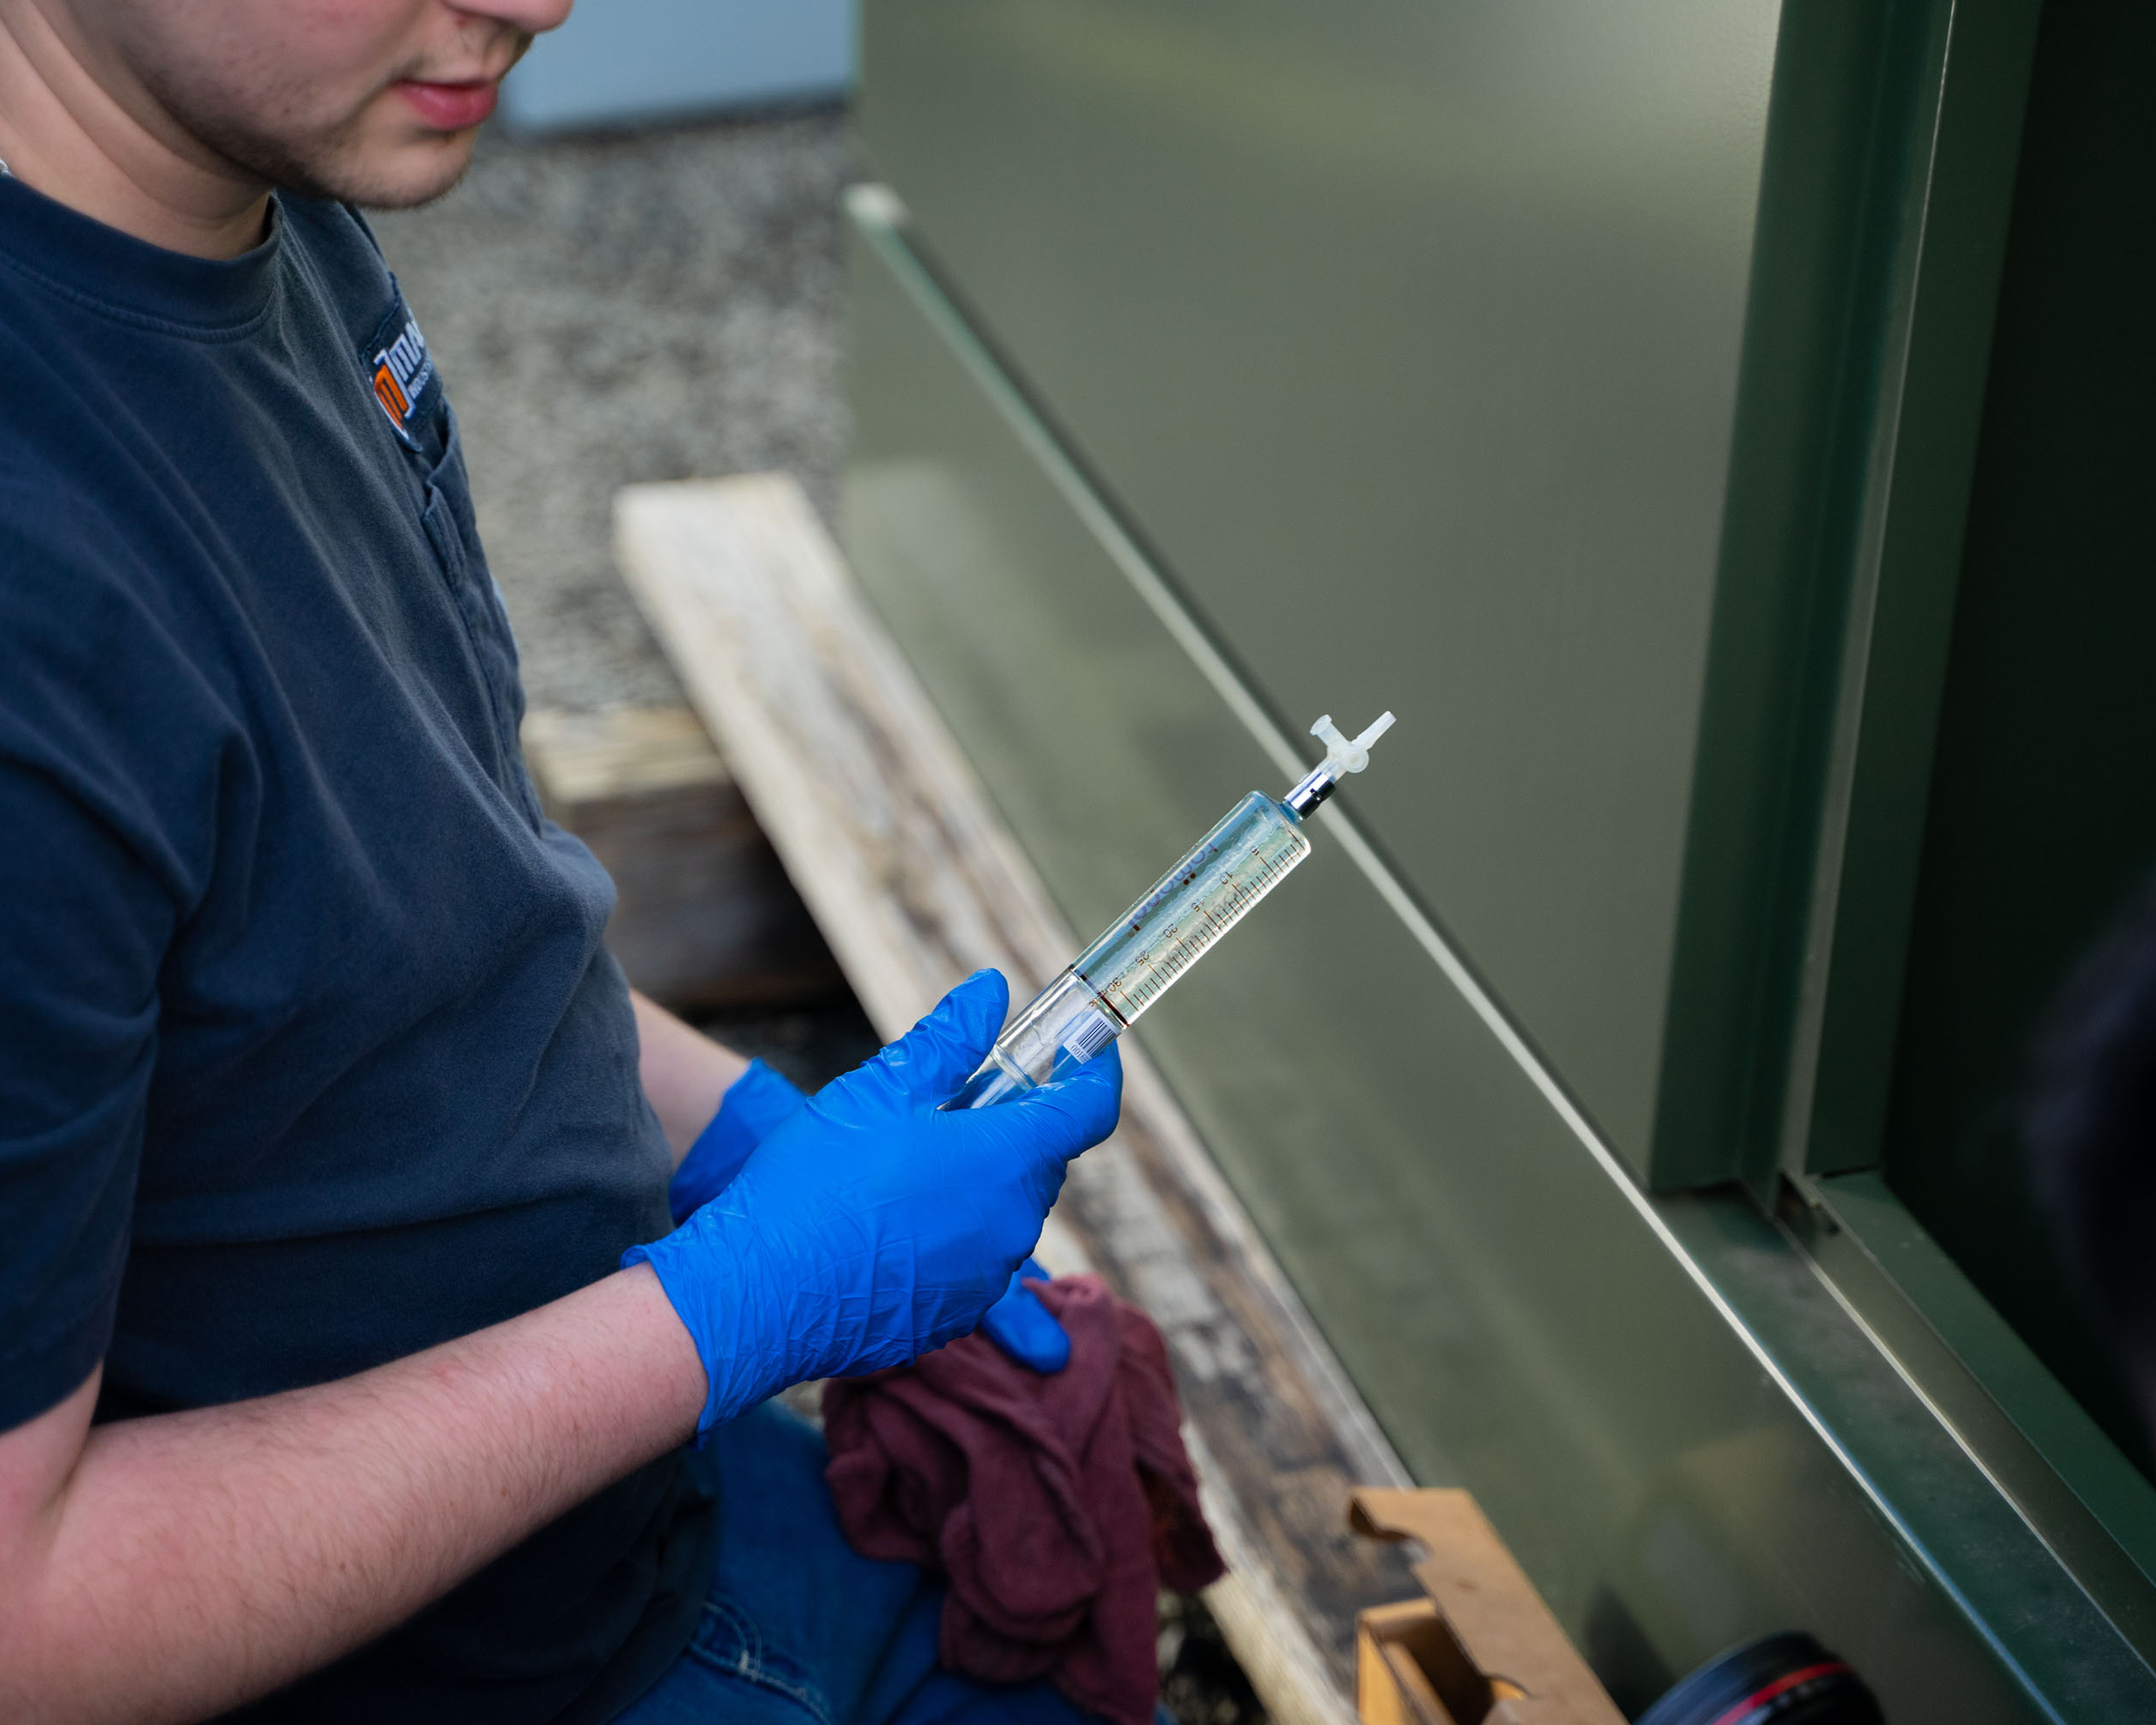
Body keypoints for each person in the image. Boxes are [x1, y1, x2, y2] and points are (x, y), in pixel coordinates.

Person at [0, 2, 1124, 1721]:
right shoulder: (36, 609)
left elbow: (383, 892)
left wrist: (744, 1134)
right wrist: (737, 1309)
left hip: (617, 1507)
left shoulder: (259, 173)